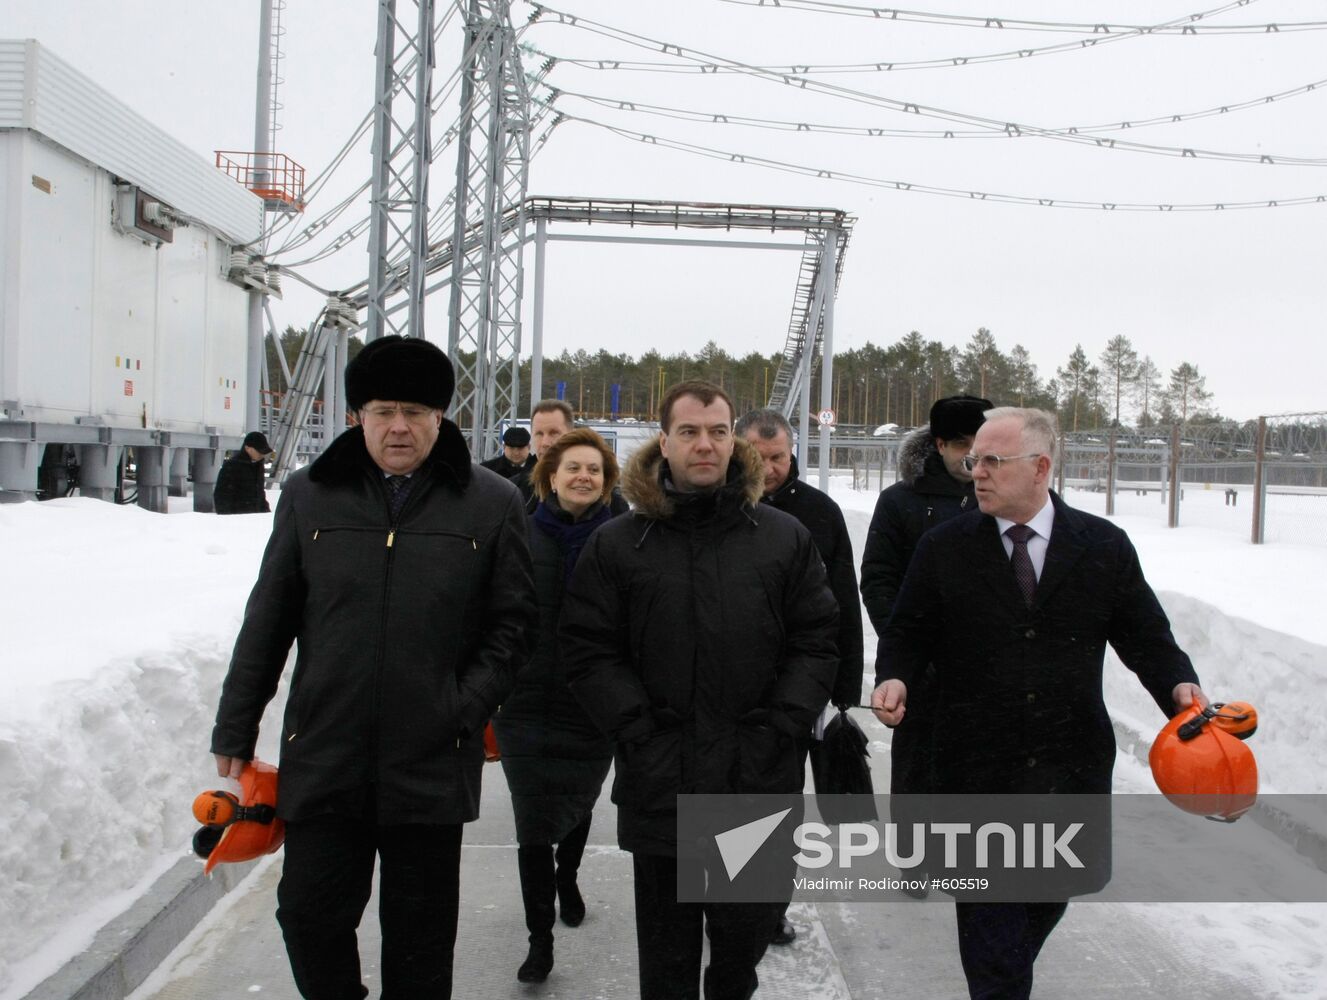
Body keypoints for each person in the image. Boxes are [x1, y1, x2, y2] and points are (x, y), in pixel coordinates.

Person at [209, 335, 536, 1000]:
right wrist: (234, 727)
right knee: (307, 915)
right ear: (357, 415)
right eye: (383, 410)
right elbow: (269, 618)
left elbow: (514, 626)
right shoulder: (308, 495)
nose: (398, 427)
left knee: (419, 941)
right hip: (326, 750)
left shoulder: (490, 502)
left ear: (440, 418)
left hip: (430, 758)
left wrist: (462, 706)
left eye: (416, 412)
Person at [870, 406, 1206, 1000]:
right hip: (975, 769)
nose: (978, 473)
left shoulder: (1101, 546)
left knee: (1041, 905)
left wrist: (1179, 689)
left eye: (994, 461)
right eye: (974, 460)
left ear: (1041, 468)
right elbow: (908, 628)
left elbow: (1145, 636)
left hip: (1066, 766)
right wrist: (894, 675)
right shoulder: (944, 547)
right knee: (992, 935)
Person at [560, 380, 840, 1000]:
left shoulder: (781, 537)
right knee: (667, 960)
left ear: (733, 440)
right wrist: (637, 728)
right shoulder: (620, 543)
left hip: (755, 780)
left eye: (717, 431)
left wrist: (782, 724)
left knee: (740, 953)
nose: (704, 444)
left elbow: (817, 638)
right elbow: (586, 648)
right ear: (664, 442)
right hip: (664, 783)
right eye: (689, 432)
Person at [492, 427, 621, 983]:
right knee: (531, 824)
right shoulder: (518, 533)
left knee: (578, 801)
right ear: (549, 475)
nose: (583, 477)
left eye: (594, 469)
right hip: (526, 700)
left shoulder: (624, 538)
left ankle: (567, 875)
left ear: (607, 480)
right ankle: (539, 940)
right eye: (573, 468)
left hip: (592, 702)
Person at [735, 407, 863, 946]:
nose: (768, 469)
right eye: (757, 458)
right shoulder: (719, 508)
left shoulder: (820, 513)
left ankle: (770, 908)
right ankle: (734, 906)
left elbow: (845, 605)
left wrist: (843, 693)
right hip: (738, 683)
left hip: (803, 684)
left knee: (784, 807)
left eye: (779, 458)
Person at [859, 394, 992, 862]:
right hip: (922, 667)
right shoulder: (901, 503)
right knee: (917, 767)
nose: (973, 452)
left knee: (980, 767)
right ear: (938, 444)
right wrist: (907, 648)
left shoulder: (999, 499)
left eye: (982, 440)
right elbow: (877, 579)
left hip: (984, 665)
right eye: (961, 442)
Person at [517, 398, 629, 514]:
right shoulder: (515, 492)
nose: (545, 442)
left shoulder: (613, 505)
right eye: (539, 434)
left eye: (554, 433)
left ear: (571, 434)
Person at [212, 431, 273, 514]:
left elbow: (260, 494)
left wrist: (265, 512)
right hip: (237, 518)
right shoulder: (232, 466)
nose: (262, 455)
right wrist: (227, 518)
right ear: (248, 448)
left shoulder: (259, 466)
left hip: (255, 518)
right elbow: (221, 496)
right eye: (260, 451)